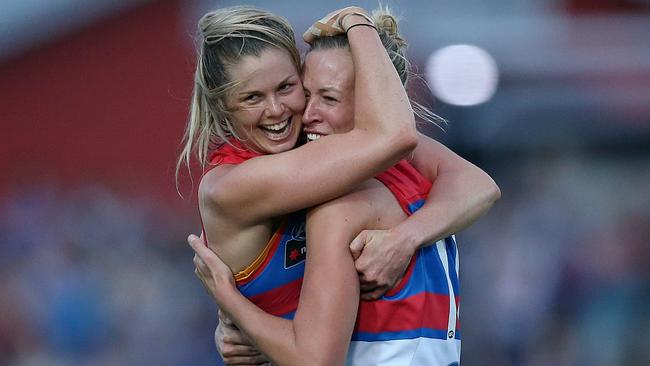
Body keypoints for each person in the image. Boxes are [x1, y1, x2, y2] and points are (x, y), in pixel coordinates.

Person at [188, 6, 500, 366]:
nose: (283, 111)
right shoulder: (233, 185)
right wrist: (234, 308)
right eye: (252, 97)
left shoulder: (351, 177)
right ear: (222, 105)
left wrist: (404, 239)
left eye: (288, 87)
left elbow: (480, 184)